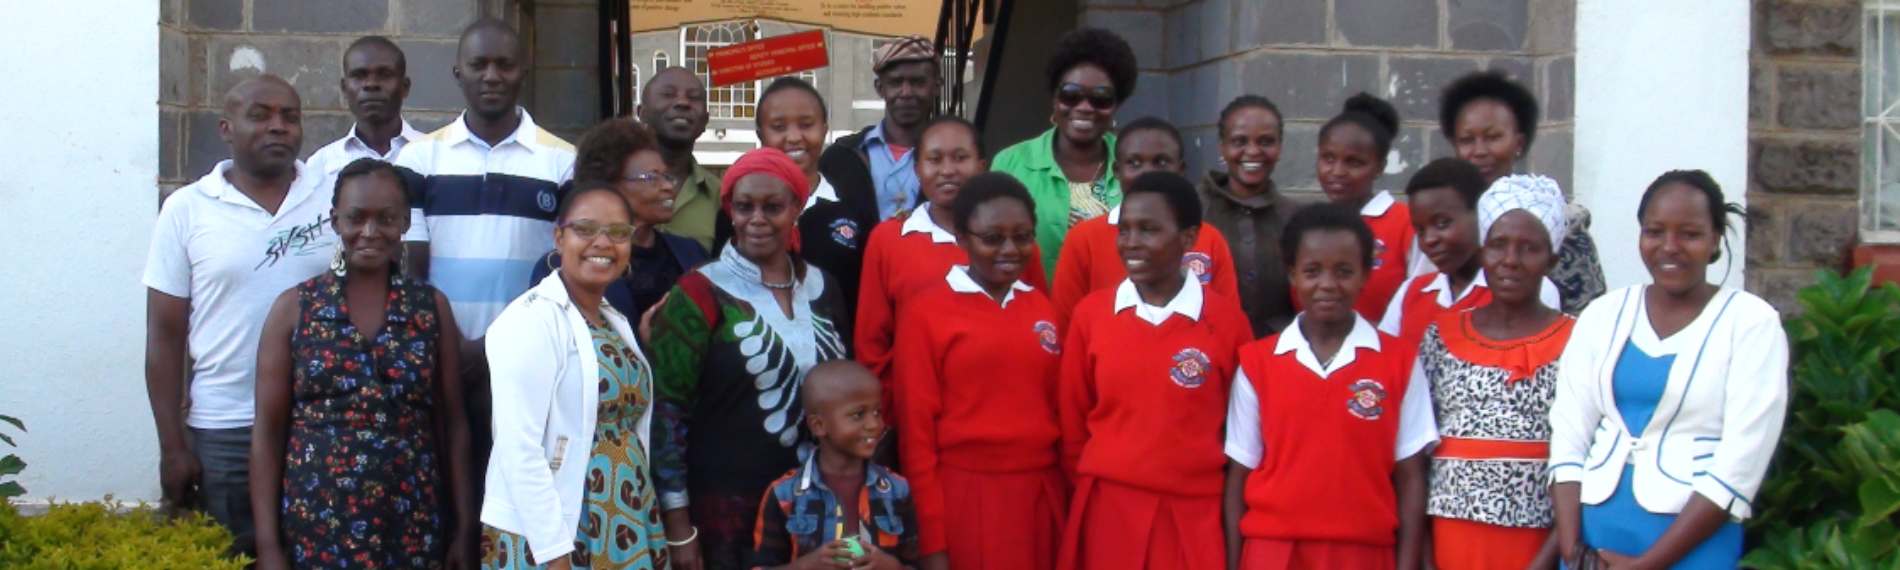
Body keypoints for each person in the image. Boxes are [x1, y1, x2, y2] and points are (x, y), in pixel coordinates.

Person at [1549, 170, 1787, 569]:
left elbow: (1741, 460)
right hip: (1596, 535)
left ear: (1715, 241)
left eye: (1690, 234)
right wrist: (1574, 552)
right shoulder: (1603, 314)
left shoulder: (1751, 322)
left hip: (1693, 539)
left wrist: (1646, 566)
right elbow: (1569, 435)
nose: (1669, 247)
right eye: (1654, 231)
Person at [250, 159, 477, 569]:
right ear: (335, 220)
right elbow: (268, 432)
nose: (370, 232)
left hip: (412, 519)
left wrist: (462, 528)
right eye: (356, 218)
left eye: (386, 219)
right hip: (316, 522)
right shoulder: (295, 308)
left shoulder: (430, 308)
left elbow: (452, 424)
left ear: (406, 223)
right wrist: (268, 544)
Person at [143, 75, 332, 557]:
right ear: (226, 128)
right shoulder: (186, 209)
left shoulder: (331, 199)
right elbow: (164, 337)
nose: (278, 127)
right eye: (261, 115)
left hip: (319, 419)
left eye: (290, 117)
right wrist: (172, 446)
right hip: (224, 429)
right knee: (233, 556)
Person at [647, 148, 853, 570]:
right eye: (744, 207)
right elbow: (667, 413)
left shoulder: (824, 287)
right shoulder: (699, 292)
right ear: (730, 211)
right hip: (723, 513)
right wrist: (678, 524)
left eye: (773, 207)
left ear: (797, 207)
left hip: (813, 506)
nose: (757, 219)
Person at [395, 18, 576, 495]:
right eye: (479, 64)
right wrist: (453, 344)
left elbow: (564, 272)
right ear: (458, 73)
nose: (491, 75)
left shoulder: (561, 161)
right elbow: (413, 268)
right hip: (442, 355)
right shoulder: (419, 159)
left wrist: (495, 346)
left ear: (524, 71)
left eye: (504, 64)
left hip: (528, 360)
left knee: (518, 490)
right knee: (450, 488)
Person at [1056, 172, 1253, 570]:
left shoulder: (1226, 322)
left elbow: (1238, 430)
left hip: (1192, 514)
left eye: (1148, 230)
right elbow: (1073, 418)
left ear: (1188, 238)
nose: (1130, 243)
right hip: (1108, 509)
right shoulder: (1091, 315)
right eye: (1124, 229)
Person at [1221, 203, 1434, 570]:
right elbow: (1239, 475)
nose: (1327, 285)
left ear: (1366, 274)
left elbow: (1411, 475)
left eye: (1344, 271)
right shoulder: (1258, 363)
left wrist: (1406, 563)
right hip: (1273, 551)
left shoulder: (1398, 361)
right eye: (1312, 271)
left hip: (1364, 552)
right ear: (1292, 273)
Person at [479, 182, 670, 569]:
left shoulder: (613, 320)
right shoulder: (530, 319)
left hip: (622, 513)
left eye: (618, 233)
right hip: (554, 529)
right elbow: (520, 448)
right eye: (585, 229)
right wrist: (555, 555)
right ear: (559, 237)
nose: (602, 242)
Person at [890, 174, 1065, 570]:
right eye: (992, 238)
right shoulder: (927, 311)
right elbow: (917, 436)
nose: (1010, 249)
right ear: (962, 239)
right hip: (966, 497)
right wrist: (932, 541)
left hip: (1040, 494)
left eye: (1022, 236)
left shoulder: (1041, 307)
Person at [1415, 176, 1576, 570]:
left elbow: (1584, 458)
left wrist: (1550, 557)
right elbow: (1417, 453)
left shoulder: (1579, 339)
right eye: (1498, 245)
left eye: (1530, 248)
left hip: (1539, 538)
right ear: (1482, 250)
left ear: (1552, 259)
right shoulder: (1442, 334)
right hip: (1452, 534)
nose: (1510, 260)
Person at [855, 118, 1047, 410]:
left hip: (1002, 403)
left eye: (960, 158)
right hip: (913, 407)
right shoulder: (889, 239)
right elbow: (872, 341)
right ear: (917, 170)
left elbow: (1040, 324)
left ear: (981, 165)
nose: (947, 170)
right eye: (934, 159)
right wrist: (888, 409)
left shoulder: (1014, 244)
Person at [1440, 70, 1606, 315]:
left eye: (1493, 137)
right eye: (1467, 140)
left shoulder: (1562, 223)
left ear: (1518, 143)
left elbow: (1591, 316)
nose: (1479, 151)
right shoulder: (1441, 223)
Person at [1051, 117, 1240, 328]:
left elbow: (1228, 323)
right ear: (1116, 171)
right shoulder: (1083, 239)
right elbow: (1066, 326)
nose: (1147, 172)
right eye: (1134, 163)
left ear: (1181, 169)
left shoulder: (1208, 237)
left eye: (1161, 162)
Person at [992, 27, 1140, 281]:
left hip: (1117, 315)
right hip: (1033, 314)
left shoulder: (1137, 161)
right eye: (1071, 95)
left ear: (1116, 105)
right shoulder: (1010, 163)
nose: (1084, 107)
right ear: (1055, 98)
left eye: (1100, 99)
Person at [529, 118, 710, 320]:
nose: (668, 186)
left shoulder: (691, 254)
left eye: (668, 176)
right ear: (610, 184)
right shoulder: (562, 264)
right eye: (652, 177)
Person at [752, 361, 923, 570]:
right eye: (858, 415)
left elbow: (915, 563)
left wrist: (889, 566)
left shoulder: (896, 490)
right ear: (819, 425)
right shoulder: (784, 495)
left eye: (877, 412)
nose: (873, 425)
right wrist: (806, 566)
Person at [1377, 162, 1559, 348]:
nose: (1429, 239)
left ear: (1481, 215)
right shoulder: (1411, 293)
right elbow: (1385, 363)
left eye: (1442, 223)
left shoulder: (1525, 287)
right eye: (1420, 230)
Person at [750, 77, 878, 335]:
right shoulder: (740, 211)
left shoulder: (852, 209)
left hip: (836, 361)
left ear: (824, 129)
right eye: (778, 126)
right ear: (761, 134)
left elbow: (868, 300)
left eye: (806, 125)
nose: (794, 137)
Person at [1316, 93, 1428, 323]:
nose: (1337, 171)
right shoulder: (1311, 226)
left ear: (1380, 166)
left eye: (1353, 162)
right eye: (1328, 158)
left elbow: (1423, 299)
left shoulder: (1406, 224)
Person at [1201, 95, 1298, 337]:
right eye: (1239, 141)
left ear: (1280, 146)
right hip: (1206, 354)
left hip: (1277, 357)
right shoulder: (1192, 211)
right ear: (1222, 146)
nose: (1253, 151)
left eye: (1266, 141)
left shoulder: (1297, 219)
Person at [822, 35, 942, 222]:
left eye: (918, 82)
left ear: (936, 87)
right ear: (880, 88)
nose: (906, 93)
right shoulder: (840, 157)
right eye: (896, 83)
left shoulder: (952, 161)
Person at [307, 36, 423, 175]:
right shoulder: (321, 165)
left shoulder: (435, 154)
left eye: (385, 75)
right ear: (344, 88)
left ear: (405, 87)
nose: (371, 84)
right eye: (359, 75)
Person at [638, 67, 720, 251]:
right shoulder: (615, 184)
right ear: (641, 113)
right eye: (668, 94)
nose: (683, 102)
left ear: (706, 120)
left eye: (694, 97)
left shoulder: (720, 196)